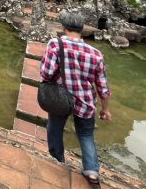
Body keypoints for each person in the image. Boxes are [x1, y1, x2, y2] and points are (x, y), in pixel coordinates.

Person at [40, 11, 111, 186]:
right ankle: (92, 172)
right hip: (86, 101)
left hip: (60, 98)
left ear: (63, 27)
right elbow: (102, 86)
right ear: (82, 29)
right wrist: (105, 109)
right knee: (86, 134)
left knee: (55, 128)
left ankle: (58, 160)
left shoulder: (55, 45)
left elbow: (46, 73)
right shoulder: (96, 54)